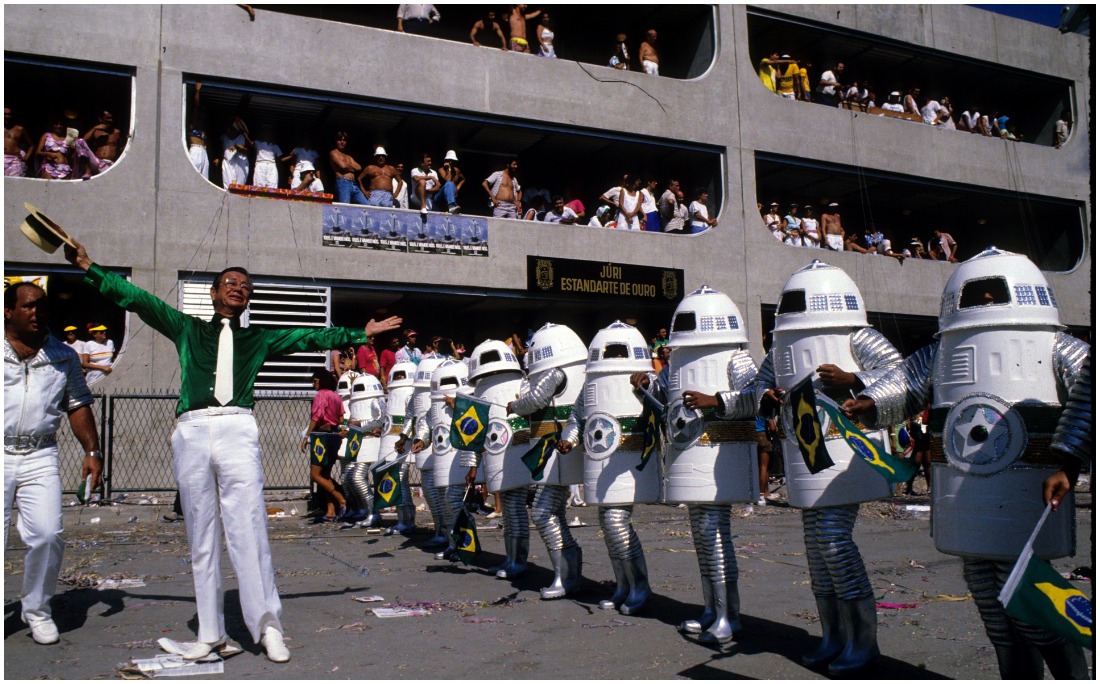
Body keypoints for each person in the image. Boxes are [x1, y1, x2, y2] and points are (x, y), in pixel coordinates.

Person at [64, 239, 401, 663]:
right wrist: (89, 267)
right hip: (190, 430)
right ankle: (210, 635)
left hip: (237, 428)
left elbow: (308, 335)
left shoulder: (257, 339)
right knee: (200, 535)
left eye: (244, 285)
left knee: (248, 529)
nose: (237, 288)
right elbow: (138, 299)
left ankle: (268, 627)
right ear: (214, 292)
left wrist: (359, 333)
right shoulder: (186, 328)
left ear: (249, 298)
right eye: (229, 282)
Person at [844, 249, 1089, 679]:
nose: (990, 301)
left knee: (1031, 601)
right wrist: (867, 401)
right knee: (988, 599)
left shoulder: (1055, 345)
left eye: (998, 294)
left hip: (1027, 497)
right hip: (968, 500)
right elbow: (905, 383)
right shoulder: (942, 351)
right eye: (983, 294)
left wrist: (1069, 463)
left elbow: (1091, 393)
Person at [758, 261, 903, 675]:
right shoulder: (781, 346)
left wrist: (853, 376)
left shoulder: (859, 334)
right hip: (805, 453)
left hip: (848, 453)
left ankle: (864, 642)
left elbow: (900, 374)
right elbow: (758, 382)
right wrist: (765, 392)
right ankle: (834, 637)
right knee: (817, 553)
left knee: (835, 544)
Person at [4, 281, 103, 645]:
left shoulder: (62, 355)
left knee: (48, 534)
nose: (37, 312)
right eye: (28, 306)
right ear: (8, 311)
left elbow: (78, 404)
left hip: (41, 453)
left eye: (41, 306)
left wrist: (92, 452)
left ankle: (38, 610)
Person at [299, 369, 347, 522]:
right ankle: (331, 510)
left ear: (322, 381)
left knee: (315, 474)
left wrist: (306, 436)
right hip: (334, 436)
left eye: (315, 381)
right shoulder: (336, 396)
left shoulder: (321, 395)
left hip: (321, 436)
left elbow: (316, 416)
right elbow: (340, 419)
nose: (314, 384)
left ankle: (341, 499)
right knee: (325, 475)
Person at [329, 131, 368, 205]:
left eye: (344, 140)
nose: (342, 142)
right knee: (345, 207)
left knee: (366, 205)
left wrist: (347, 165)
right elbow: (343, 166)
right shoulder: (333, 153)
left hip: (354, 184)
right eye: (340, 140)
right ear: (336, 141)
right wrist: (352, 167)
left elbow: (359, 167)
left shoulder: (348, 156)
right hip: (343, 182)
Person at [219, 117, 253, 189]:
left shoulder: (242, 138)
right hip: (228, 162)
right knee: (228, 186)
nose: (230, 130)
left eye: (233, 129)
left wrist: (237, 147)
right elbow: (219, 150)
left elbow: (250, 151)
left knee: (239, 186)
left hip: (241, 162)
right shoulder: (224, 137)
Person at [186, 83, 209, 180]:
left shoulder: (203, 127)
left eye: (205, 112)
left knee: (205, 179)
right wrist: (197, 91)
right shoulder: (194, 123)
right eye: (202, 112)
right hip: (195, 151)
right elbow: (196, 107)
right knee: (193, 176)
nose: (203, 114)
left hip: (204, 152)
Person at [251, 124, 282, 189]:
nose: (267, 133)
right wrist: (245, 136)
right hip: (260, 164)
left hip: (272, 165)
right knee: (259, 186)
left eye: (269, 132)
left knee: (272, 186)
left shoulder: (274, 146)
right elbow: (251, 144)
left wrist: (290, 157)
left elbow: (280, 159)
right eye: (265, 131)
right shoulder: (258, 143)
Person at [5, 107, 33, 177]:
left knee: (14, 184)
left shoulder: (20, 129)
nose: (6, 116)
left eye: (9, 114)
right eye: (4, 114)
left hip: (15, 160)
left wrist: (26, 158)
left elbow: (31, 145)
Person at [435, 150, 464, 214]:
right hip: (440, 196)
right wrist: (449, 169)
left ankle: (453, 205)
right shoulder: (441, 170)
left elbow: (463, 179)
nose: (451, 162)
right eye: (449, 160)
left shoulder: (457, 170)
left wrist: (457, 188)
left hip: (452, 196)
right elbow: (448, 180)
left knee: (451, 185)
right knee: (449, 184)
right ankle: (451, 206)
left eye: (452, 161)